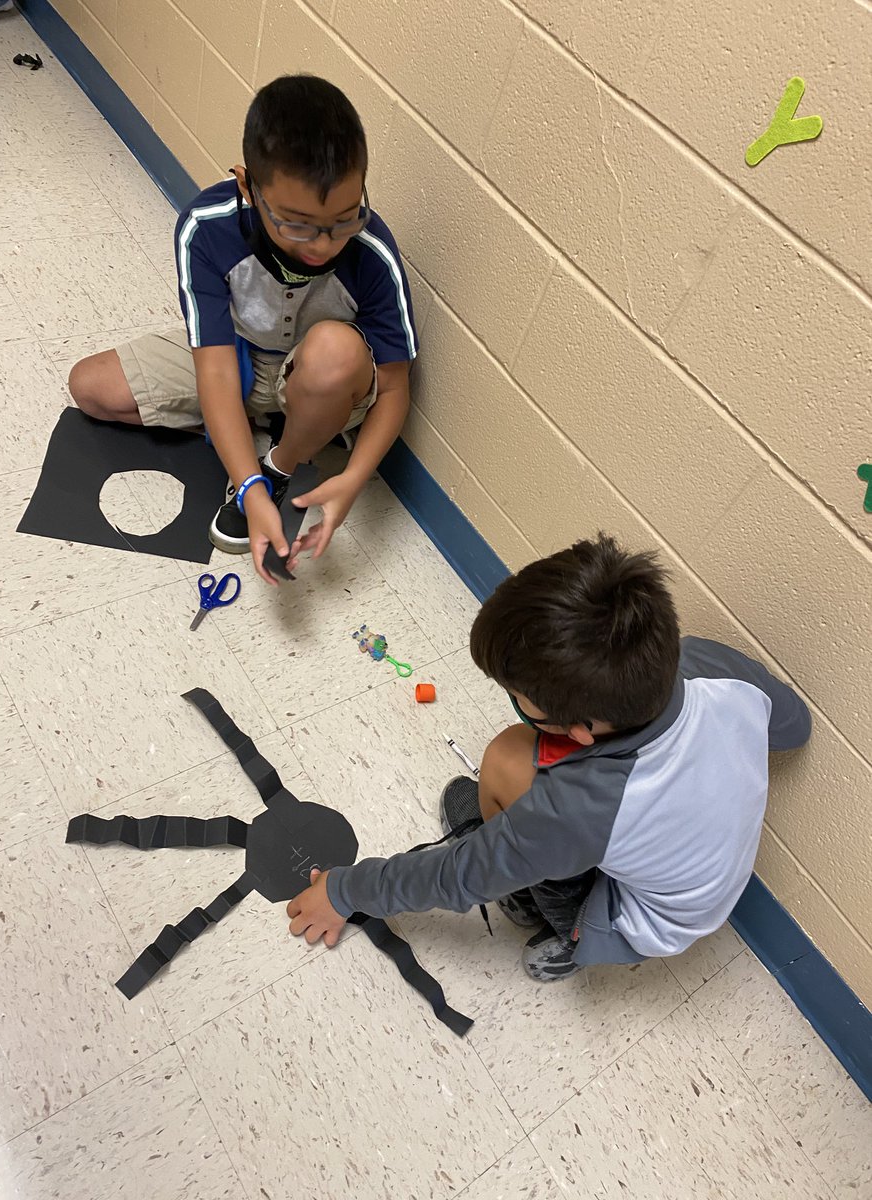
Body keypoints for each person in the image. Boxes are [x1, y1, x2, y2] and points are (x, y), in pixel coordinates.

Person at [286, 534, 812, 981]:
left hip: (635, 919)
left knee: (504, 759)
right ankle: (541, 868)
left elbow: (459, 875)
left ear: (584, 729)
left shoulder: (578, 808)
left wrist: (344, 889)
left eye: (520, 698)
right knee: (529, 772)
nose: (515, 703)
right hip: (707, 881)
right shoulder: (709, 662)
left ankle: (561, 925)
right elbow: (796, 727)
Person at [68, 75, 417, 582]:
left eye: (345, 218)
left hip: (319, 369)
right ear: (247, 186)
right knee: (92, 388)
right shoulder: (205, 226)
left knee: (334, 355)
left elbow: (393, 386)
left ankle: (281, 461)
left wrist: (351, 480)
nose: (323, 245)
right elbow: (214, 372)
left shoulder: (372, 250)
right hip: (237, 355)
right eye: (297, 224)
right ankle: (260, 434)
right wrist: (242, 479)